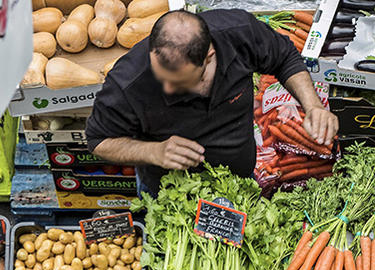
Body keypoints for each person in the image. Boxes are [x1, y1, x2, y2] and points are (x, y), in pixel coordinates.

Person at [85, 9, 338, 195]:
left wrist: (312, 105)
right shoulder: (127, 82)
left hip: (239, 184)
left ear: (209, 56)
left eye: (180, 82)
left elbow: (284, 57)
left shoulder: (239, 33)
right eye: (161, 78)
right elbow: (98, 141)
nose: (167, 88)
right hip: (170, 194)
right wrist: (155, 151)